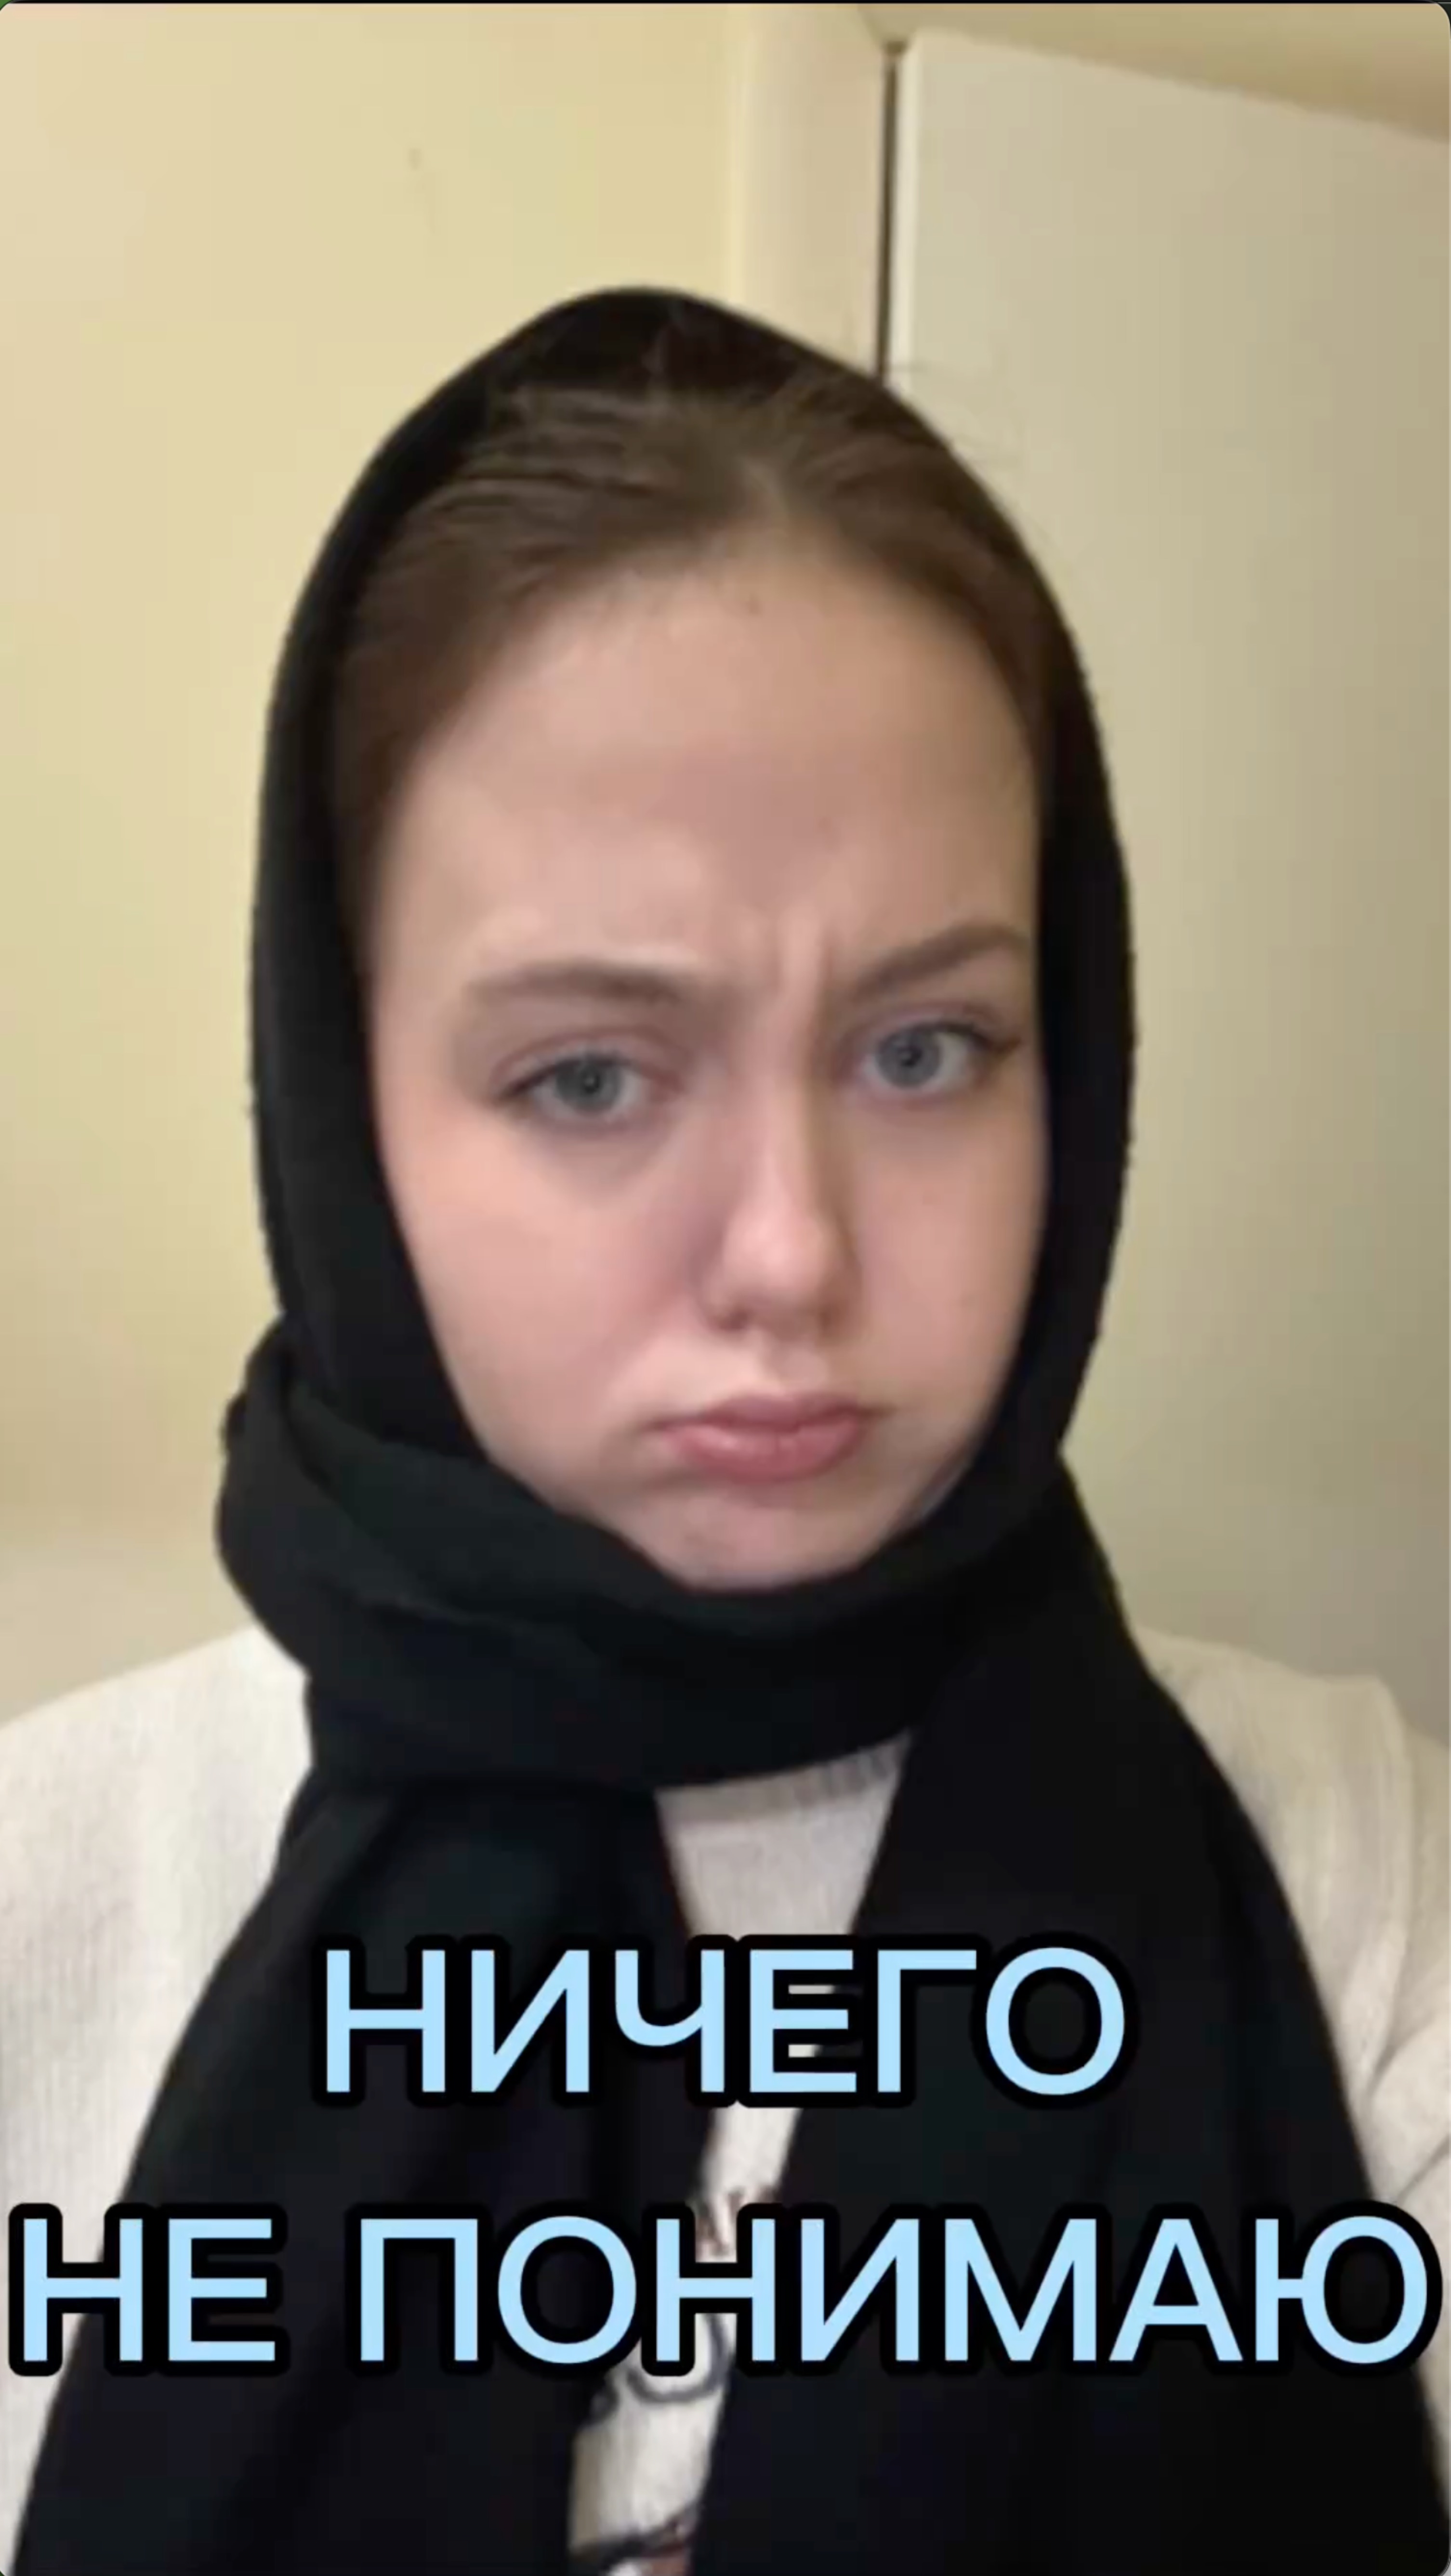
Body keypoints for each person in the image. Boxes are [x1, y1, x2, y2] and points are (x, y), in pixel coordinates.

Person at [0, 286, 1445, 2576]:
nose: (791, 1251)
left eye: (927, 1049)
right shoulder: (51, 1886)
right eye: (589, 1073)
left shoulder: (1356, 1866)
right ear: (342, 1109)